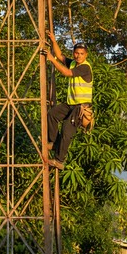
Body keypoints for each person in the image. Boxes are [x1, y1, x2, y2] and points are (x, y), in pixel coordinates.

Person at [42, 31, 93, 170]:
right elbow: (60, 56)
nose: (78, 56)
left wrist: (51, 59)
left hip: (80, 107)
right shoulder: (73, 63)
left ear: (86, 55)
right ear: (74, 53)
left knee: (66, 130)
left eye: (82, 54)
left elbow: (67, 73)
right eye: (76, 53)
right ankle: (54, 142)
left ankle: (59, 160)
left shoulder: (85, 67)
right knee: (52, 115)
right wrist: (53, 40)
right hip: (70, 104)